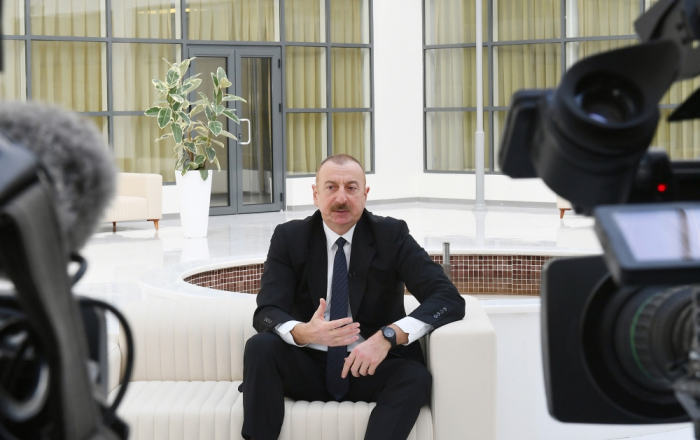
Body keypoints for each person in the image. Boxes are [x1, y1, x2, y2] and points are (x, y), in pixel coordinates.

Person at [241, 154, 465, 440]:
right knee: (260, 347)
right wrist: (304, 332)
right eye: (331, 187)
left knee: (415, 377)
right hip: (307, 364)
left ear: (365, 194)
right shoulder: (289, 237)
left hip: (370, 366)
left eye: (351, 187)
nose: (341, 198)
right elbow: (267, 311)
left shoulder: (391, 235)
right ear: (315, 194)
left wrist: (388, 336)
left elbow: (447, 298)